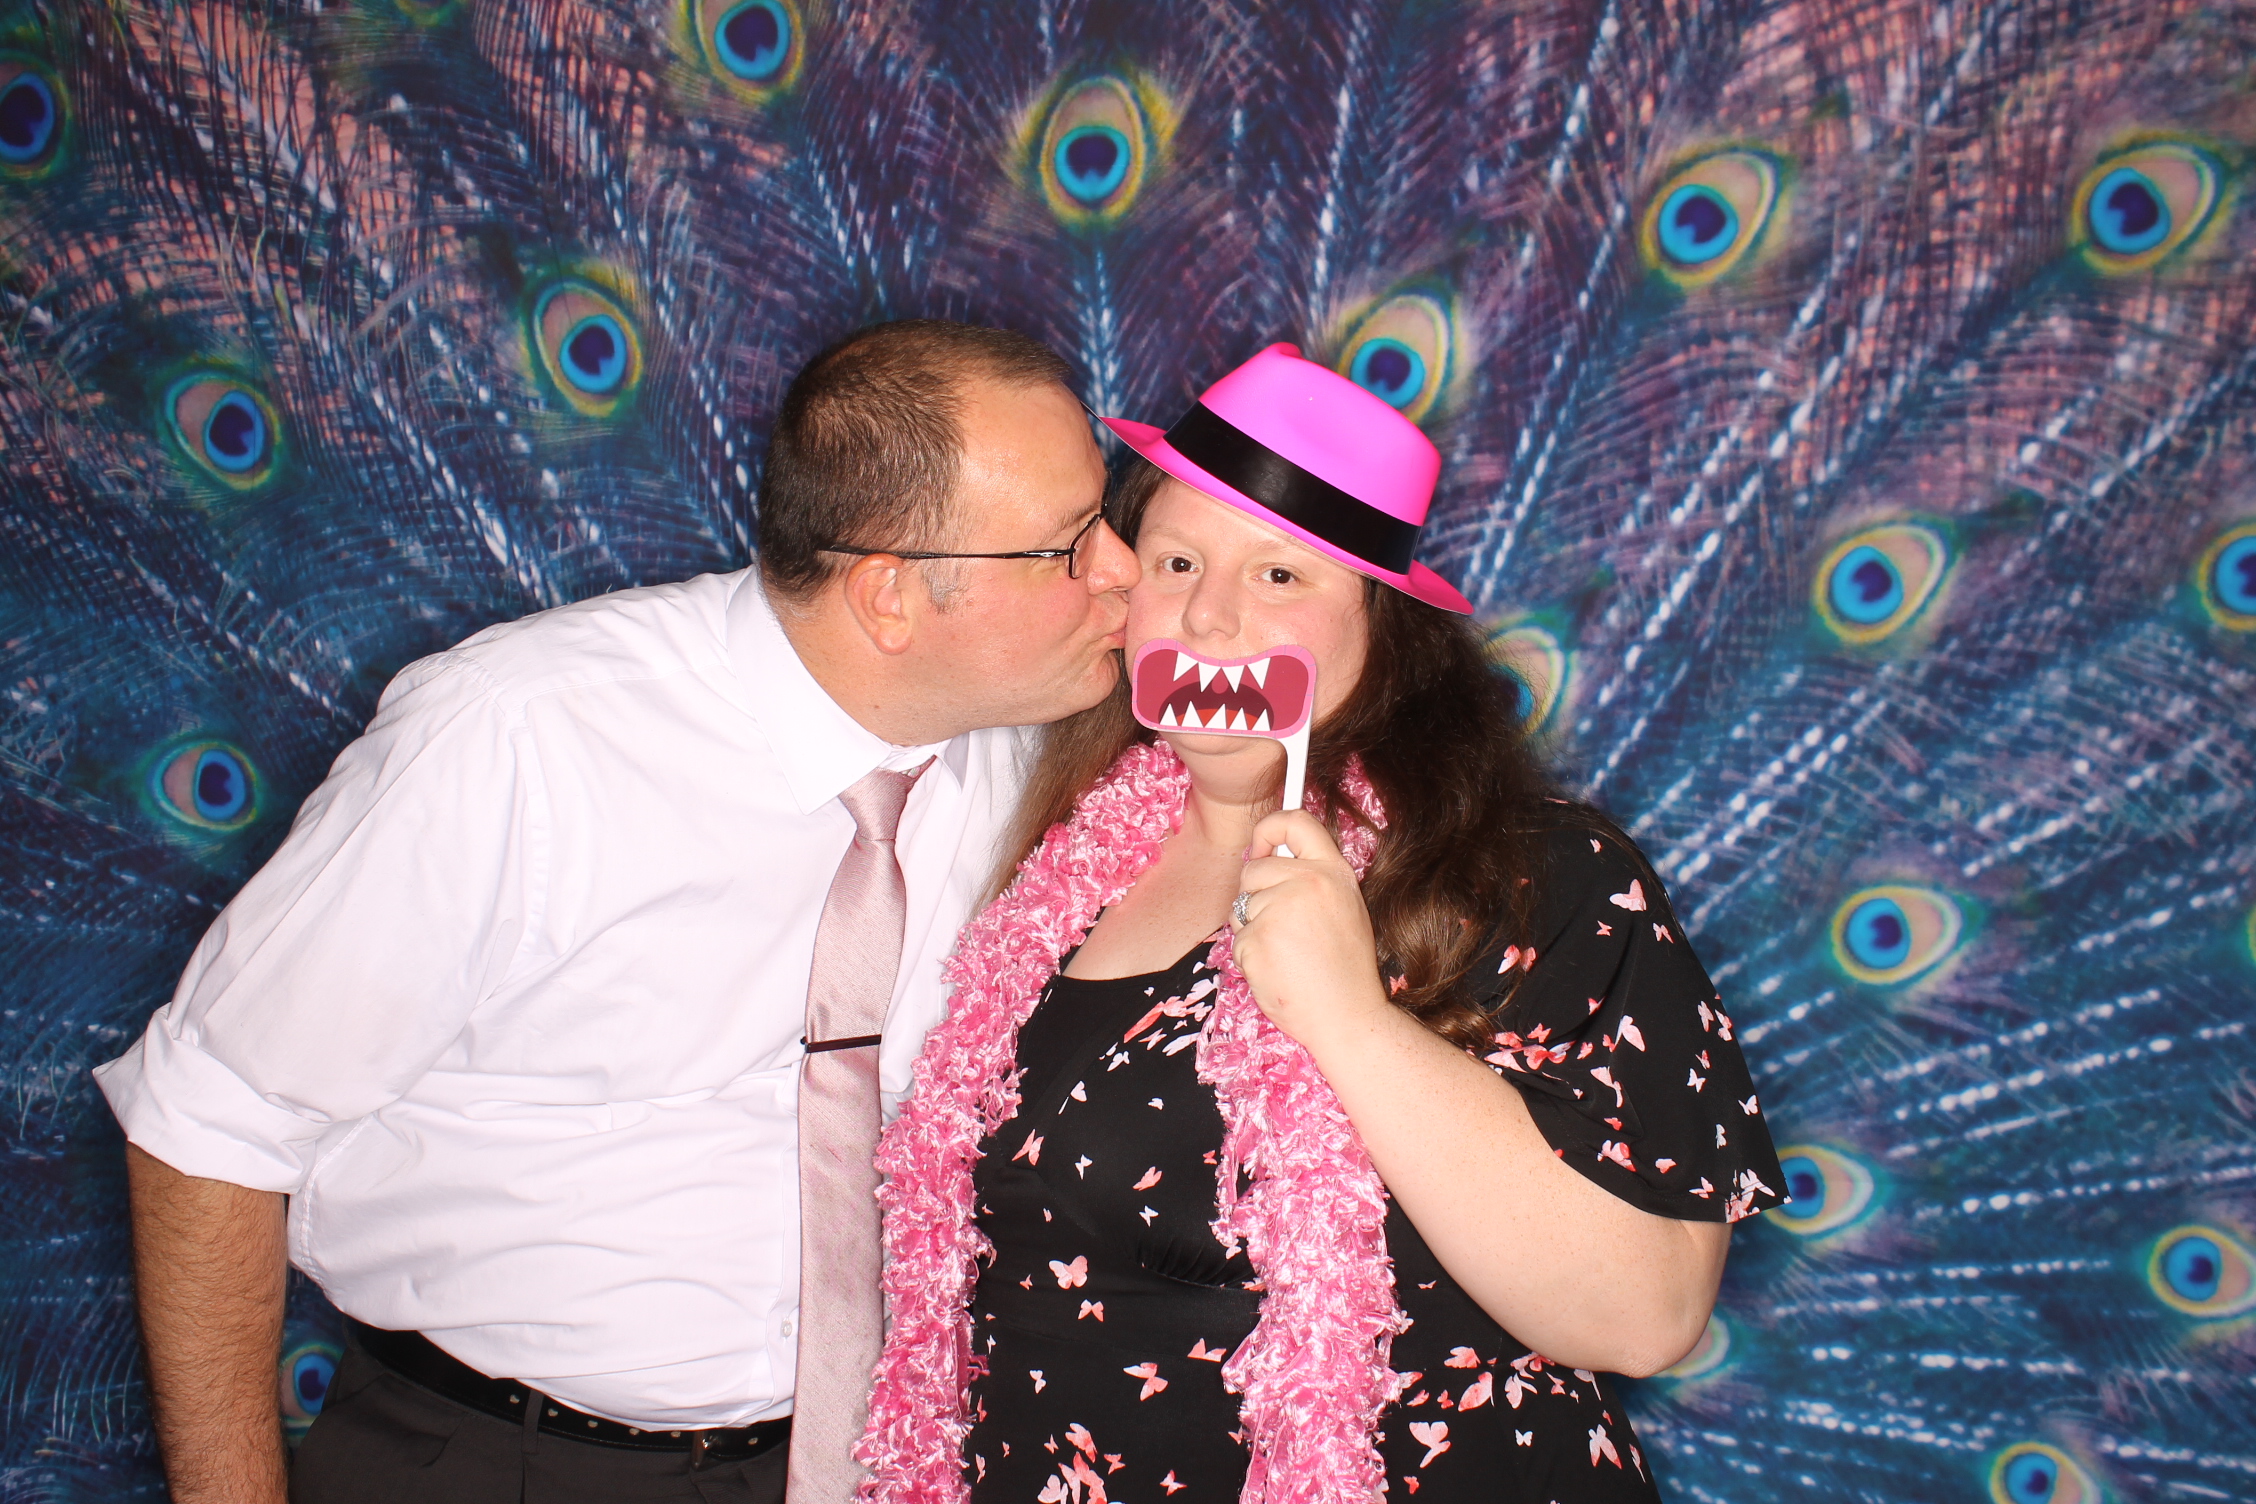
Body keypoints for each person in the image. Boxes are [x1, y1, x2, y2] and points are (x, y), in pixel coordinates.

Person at [93, 320, 1139, 1504]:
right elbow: (209, 1123)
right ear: (889, 595)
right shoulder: (518, 741)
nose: (1122, 570)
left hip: (864, 1464)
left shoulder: (1028, 754)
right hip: (505, 1464)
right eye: (1066, 547)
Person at [859, 344, 1786, 1503]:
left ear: (1379, 625)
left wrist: (1352, 1020)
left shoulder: (1534, 871)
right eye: (1179, 559)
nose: (1210, 613)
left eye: (1282, 578)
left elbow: (1647, 1315)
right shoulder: (1053, 873)